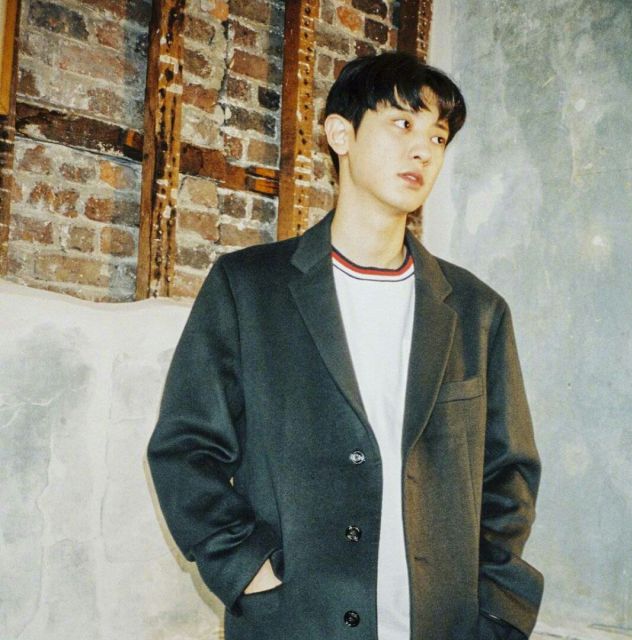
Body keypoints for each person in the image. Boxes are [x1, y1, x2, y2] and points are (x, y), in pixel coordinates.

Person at [147, 52, 543, 640]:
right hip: (296, 620)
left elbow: (508, 476)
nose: (424, 150)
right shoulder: (248, 288)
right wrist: (242, 565)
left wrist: (496, 609)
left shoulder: (476, 311)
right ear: (341, 135)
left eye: (437, 137)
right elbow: (185, 448)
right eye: (402, 124)